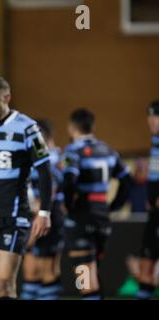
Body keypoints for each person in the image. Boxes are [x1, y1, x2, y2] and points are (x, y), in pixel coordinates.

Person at [0, 76, 52, 300]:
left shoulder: (27, 128)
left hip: (13, 216)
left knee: (3, 283)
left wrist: (44, 212)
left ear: (6, 97)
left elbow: (45, 172)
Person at [62, 108, 131, 300]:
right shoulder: (109, 150)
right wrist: (113, 207)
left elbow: (69, 180)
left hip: (82, 215)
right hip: (102, 215)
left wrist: (68, 206)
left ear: (72, 127)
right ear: (93, 126)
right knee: (93, 270)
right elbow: (127, 182)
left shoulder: (73, 151)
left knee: (84, 277)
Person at [21, 119, 64, 300]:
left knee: (47, 271)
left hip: (47, 218)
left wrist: (37, 217)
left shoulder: (50, 158)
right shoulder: (54, 156)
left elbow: (50, 188)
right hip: (40, 216)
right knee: (32, 271)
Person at [135, 100, 159, 299]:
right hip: (154, 214)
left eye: (156, 116)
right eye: (150, 116)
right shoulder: (155, 142)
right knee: (145, 266)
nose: (152, 121)